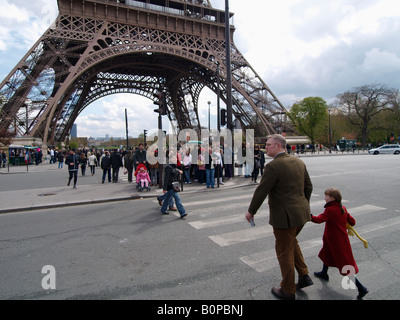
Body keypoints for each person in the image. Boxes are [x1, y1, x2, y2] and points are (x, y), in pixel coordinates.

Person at [245, 134, 313, 300]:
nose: (265, 147)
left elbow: (261, 190)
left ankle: (288, 290)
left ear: (278, 146)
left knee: (284, 251)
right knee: (291, 242)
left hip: (285, 217)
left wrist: (251, 211)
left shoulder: (273, 166)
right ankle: (304, 276)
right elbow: (308, 187)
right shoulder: (298, 161)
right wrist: (302, 205)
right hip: (301, 214)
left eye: (268, 145)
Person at [311, 187, 369, 300]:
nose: (324, 197)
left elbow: (319, 219)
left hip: (335, 242)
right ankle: (324, 273)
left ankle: (361, 288)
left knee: (345, 266)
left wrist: (309, 217)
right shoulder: (342, 208)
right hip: (336, 240)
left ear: (332, 198)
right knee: (326, 255)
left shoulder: (330, 210)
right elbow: (352, 221)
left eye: (326, 196)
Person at [160, 151, 187, 218]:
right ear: (170, 159)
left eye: (175, 158)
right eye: (173, 158)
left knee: (167, 198)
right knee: (177, 199)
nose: (175, 159)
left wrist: (178, 173)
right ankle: (182, 212)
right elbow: (166, 178)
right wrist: (164, 188)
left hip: (173, 185)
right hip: (171, 186)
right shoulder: (168, 167)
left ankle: (163, 209)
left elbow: (174, 173)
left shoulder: (173, 167)